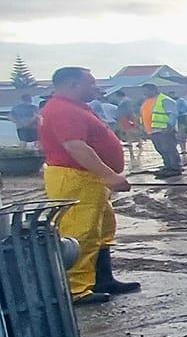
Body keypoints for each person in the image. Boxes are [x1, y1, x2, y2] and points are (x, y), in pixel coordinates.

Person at [36, 67, 140, 304]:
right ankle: (76, 288)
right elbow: (76, 146)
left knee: (101, 229)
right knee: (80, 231)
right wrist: (110, 175)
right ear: (73, 84)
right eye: (91, 83)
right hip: (75, 177)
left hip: (86, 177)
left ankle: (101, 279)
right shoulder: (63, 110)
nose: (96, 87)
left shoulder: (73, 107)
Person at [140, 82, 182, 176]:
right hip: (153, 130)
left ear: (153, 90)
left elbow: (173, 114)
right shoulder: (146, 101)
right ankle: (167, 166)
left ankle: (175, 168)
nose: (144, 93)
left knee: (169, 149)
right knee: (160, 149)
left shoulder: (164, 100)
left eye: (146, 91)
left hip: (164, 129)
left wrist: (169, 126)